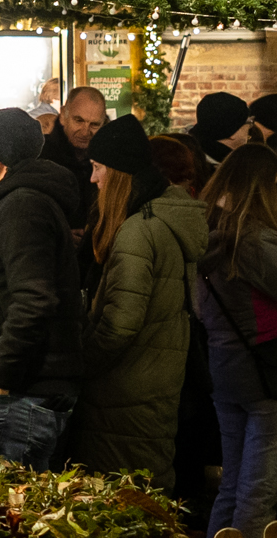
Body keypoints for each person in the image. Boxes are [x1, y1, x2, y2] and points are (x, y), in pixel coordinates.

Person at [73, 115, 207, 495]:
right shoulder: (156, 220)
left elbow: (120, 324)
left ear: (118, 172)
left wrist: (83, 363)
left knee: (127, 498)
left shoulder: (137, 230)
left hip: (124, 393)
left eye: (98, 168)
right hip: (151, 383)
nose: (93, 179)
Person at [0, 109, 87, 462]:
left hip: (23, 393)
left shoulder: (22, 206)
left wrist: (0, 378)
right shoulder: (15, 203)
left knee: (5, 508)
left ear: (2, 152)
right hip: (26, 389)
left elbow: (35, 300)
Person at [194, 142, 277, 532]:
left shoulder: (208, 232)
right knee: (258, 491)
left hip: (223, 362)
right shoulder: (253, 239)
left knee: (231, 483)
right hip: (262, 367)